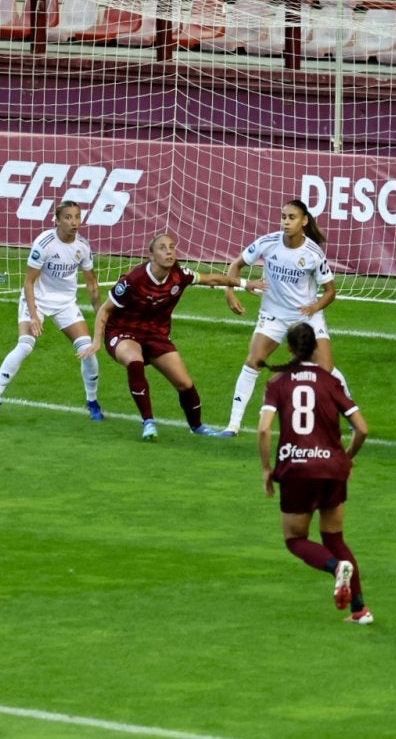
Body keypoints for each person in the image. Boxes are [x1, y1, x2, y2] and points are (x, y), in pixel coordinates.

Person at [258, 322, 373, 623]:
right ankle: (360, 609)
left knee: (295, 539)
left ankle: (336, 568)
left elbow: (263, 429)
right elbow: (361, 428)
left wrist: (267, 468)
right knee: (334, 538)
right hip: (332, 469)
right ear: (316, 348)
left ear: (290, 349)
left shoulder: (278, 383)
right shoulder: (330, 381)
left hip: (296, 470)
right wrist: (346, 458)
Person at [79, 232, 243, 441]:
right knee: (134, 361)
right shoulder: (134, 280)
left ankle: (197, 427)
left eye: (172, 247)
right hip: (122, 331)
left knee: (184, 383)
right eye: (163, 248)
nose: (169, 251)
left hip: (155, 334)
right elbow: (104, 310)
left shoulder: (179, 275)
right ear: (151, 255)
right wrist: (96, 341)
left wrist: (245, 284)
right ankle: (148, 423)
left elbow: (211, 278)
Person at [224, 200, 337, 436]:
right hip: (273, 315)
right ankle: (233, 425)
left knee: (325, 369)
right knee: (253, 361)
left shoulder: (313, 253)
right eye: (283, 216)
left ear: (304, 221)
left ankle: (342, 409)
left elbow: (330, 292)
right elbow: (236, 265)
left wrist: (314, 307)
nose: (286, 222)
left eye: (292, 217)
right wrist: (230, 292)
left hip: (306, 316)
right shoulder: (268, 243)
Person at [0, 201, 104, 420]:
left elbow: (92, 284)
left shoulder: (83, 246)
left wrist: (100, 314)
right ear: (57, 221)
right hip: (37, 298)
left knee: (87, 349)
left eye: (77, 217)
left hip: (65, 303)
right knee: (25, 345)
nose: (74, 222)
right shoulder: (45, 243)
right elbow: (29, 282)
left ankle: (92, 401)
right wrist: (35, 314)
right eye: (68, 217)